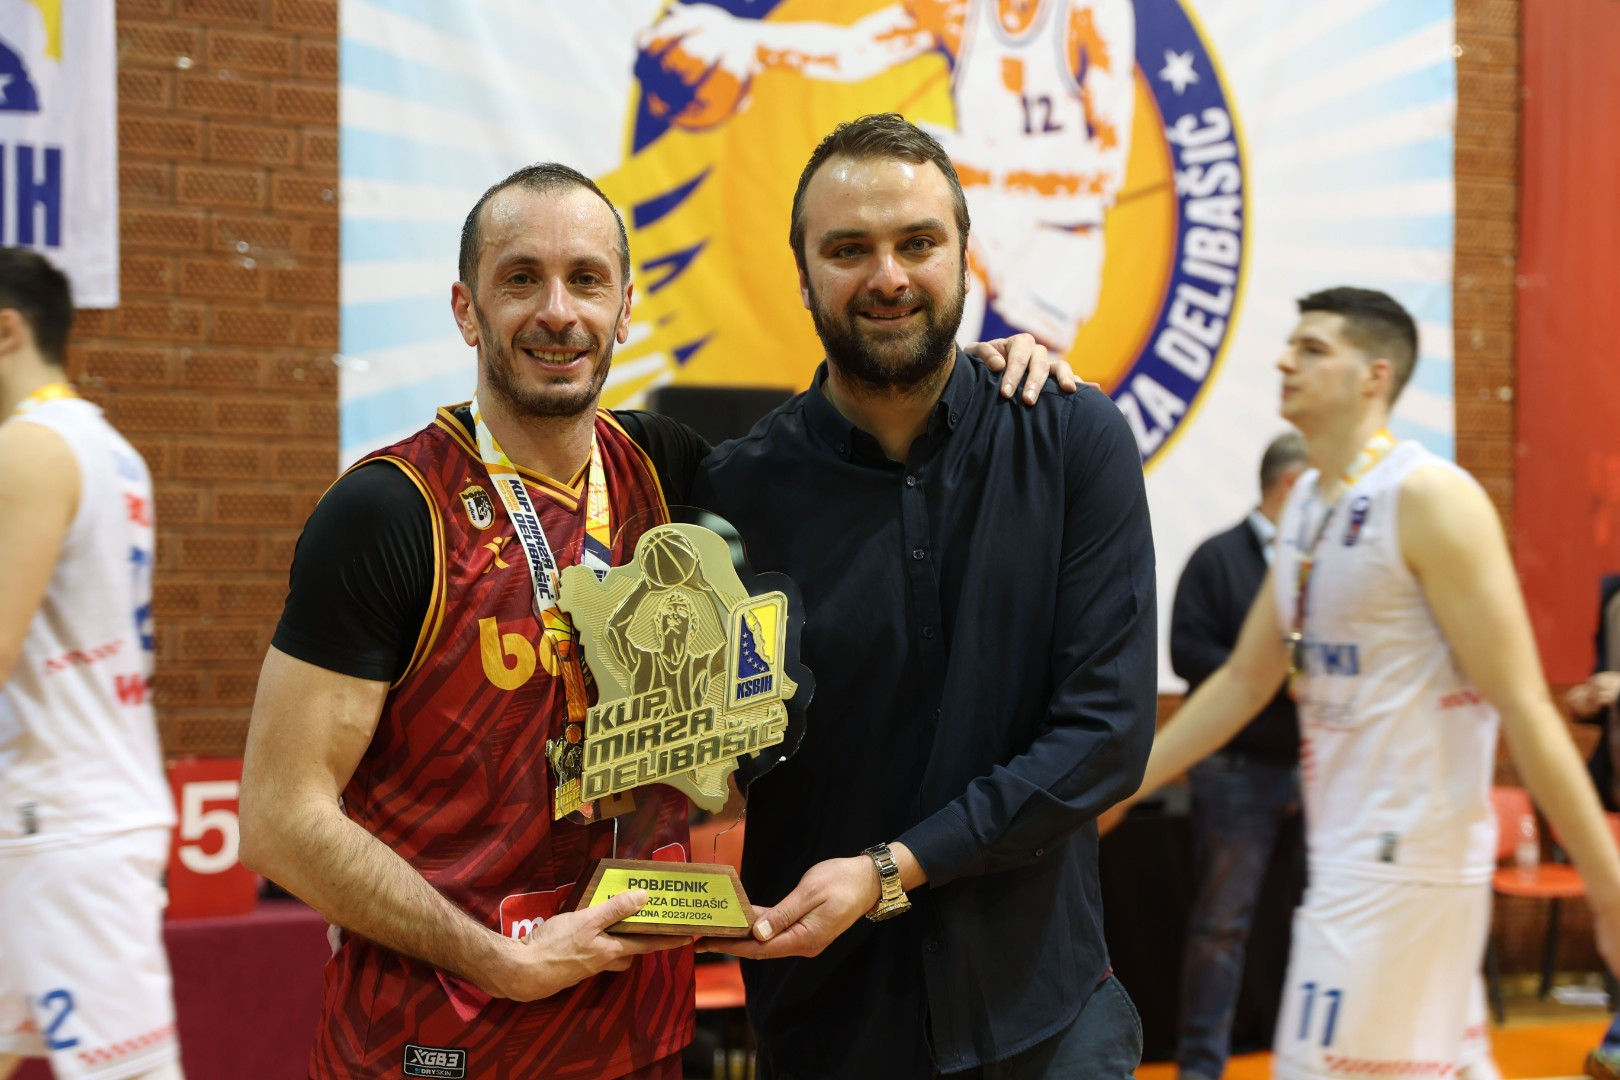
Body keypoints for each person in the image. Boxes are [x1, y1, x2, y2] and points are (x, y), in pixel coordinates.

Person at [237, 162, 1068, 1079]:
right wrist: (498, 961)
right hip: (441, 1040)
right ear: (467, 310)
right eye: (522, 279)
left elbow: (848, 454)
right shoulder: (389, 513)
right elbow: (280, 818)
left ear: (626, 308)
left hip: (640, 1040)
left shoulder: (668, 471)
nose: (558, 312)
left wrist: (973, 377)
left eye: (587, 280)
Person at [693, 113, 1157, 1079]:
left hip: (1047, 1019)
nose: (889, 277)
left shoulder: (1070, 441)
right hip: (832, 1025)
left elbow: (1106, 735)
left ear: (965, 255)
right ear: (803, 273)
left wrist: (889, 872)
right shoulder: (734, 497)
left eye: (917, 243)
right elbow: (719, 748)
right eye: (848, 250)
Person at [1117, 286, 1620, 1080]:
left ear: (1374, 376)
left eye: (1314, 349)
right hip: (1349, 858)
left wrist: (1607, 886)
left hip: (1407, 868)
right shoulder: (1310, 509)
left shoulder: (1428, 497)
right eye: (1292, 345)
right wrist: (1122, 789)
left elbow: (1524, 703)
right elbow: (1244, 681)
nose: (1286, 361)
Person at [638, 0, 1136, 351]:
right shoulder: (957, 9)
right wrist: (749, 41)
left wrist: (973, 163)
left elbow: (1103, 174)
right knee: (928, 379)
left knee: (1018, 406)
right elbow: (854, 50)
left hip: (1055, 240)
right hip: (974, 226)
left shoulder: (1093, 14)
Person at [0, 248, 183, 1080]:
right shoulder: (111, 448)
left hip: (65, 825)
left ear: (7, 331)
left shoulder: (30, 447)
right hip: (56, 811)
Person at [1169, 430, 1308, 1080]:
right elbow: (1187, 652)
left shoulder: (1318, 562)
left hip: (1315, 768)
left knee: (1316, 922)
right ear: (1292, 484)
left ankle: (1301, 1059)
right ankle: (1202, 1068)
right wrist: (1271, 676)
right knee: (1221, 927)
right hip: (1235, 773)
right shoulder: (1216, 558)